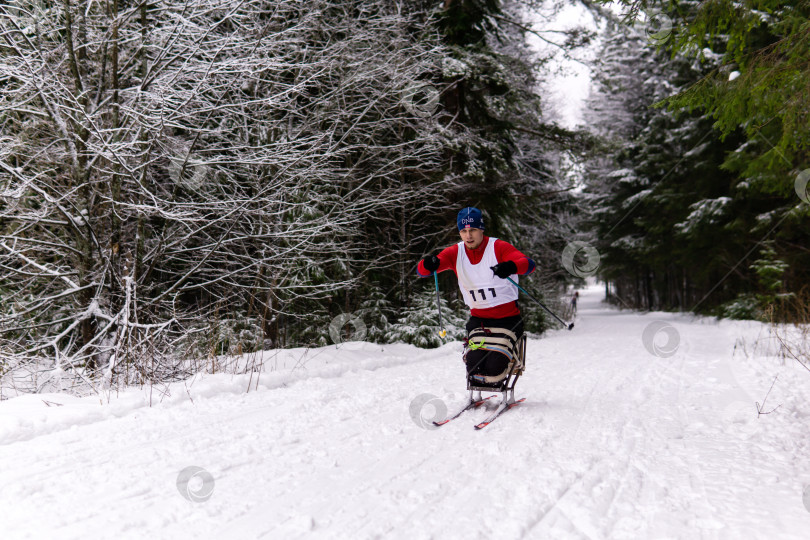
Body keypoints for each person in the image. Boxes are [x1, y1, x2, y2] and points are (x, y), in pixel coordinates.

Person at [417, 207, 536, 387]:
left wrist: (510, 267)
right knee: (473, 364)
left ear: (481, 229)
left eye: (472, 230)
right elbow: (423, 271)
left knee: (494, 365)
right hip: (478, 321)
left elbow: (528, 264)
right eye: (463, 231)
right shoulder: (455, 252)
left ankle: (507, 364)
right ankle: (482, 383)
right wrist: (429, 263)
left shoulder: (498, 247)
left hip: (508, 321)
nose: (468, 235)